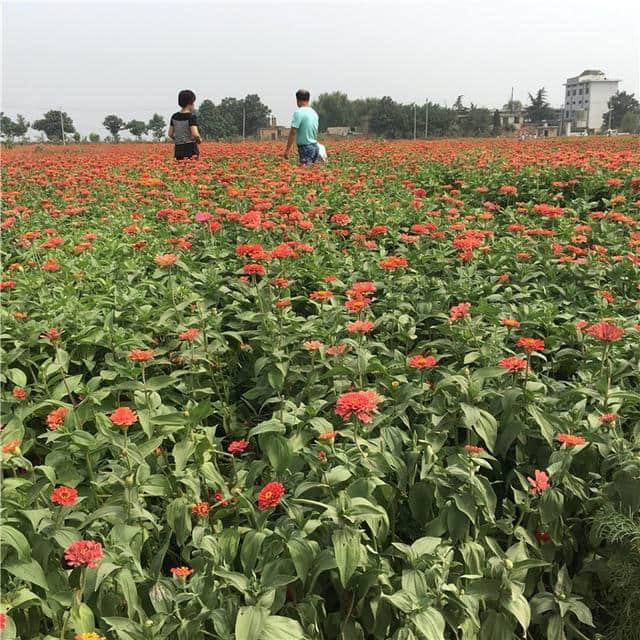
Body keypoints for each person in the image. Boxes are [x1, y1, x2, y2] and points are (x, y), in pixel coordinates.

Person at [283, 89, 319, 166]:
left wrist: (287, 150)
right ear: (308, 99)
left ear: (297, 100)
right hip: (315, 147)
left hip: (305, 148)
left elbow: (293, 132)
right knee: (312, 172)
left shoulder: (298, 113)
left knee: (305, 174)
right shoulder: (314, 113)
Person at [168, 90, 201, 160]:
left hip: (178, 149)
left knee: (180, 169)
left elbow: (170, 134)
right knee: (191, 168)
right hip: (190, 148)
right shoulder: (191, 117)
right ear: (190, 103)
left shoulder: (174, 116)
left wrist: (178, 139)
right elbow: (195, 134)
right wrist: (199, 140)